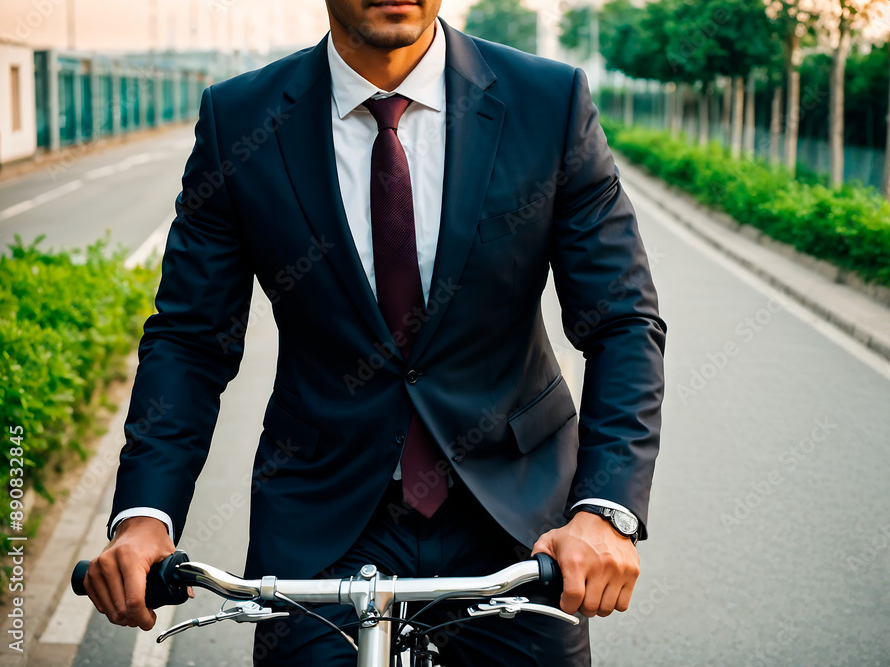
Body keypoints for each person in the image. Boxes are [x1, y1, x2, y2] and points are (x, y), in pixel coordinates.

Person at [82, 0, 665, 664]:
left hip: (517, 514)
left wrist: (605, 509)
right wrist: (143, 517)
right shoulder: (239, 121)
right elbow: (190, 338)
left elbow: (622, 320)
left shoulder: (548, 103)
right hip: (322, 513)